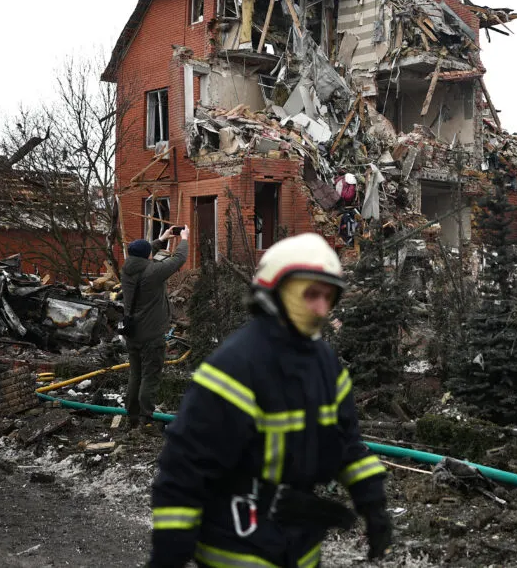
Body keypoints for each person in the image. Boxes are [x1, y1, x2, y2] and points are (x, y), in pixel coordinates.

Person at [148, 233, 391, 568]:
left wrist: (373, 504)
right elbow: (184, 468)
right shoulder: (236, 366)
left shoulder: (325, 364)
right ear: (277, 291)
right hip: (237, 550)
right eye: (311, 294)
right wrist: (170, 552)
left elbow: (347, 445)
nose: (322, 308)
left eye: (329, 297)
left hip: (301, 548)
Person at [121, 225, 189, 430]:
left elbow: (143, 252)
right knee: (150, 376)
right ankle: (146, 419)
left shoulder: (127, 268)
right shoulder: (153, 272)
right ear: (147, 256)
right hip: (151, 334)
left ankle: (132, 416)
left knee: (135, 374)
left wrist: (162, 239)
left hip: (132, 332)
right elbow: (179, 259)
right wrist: (184, 239)